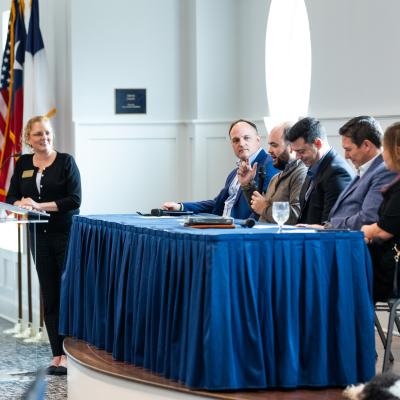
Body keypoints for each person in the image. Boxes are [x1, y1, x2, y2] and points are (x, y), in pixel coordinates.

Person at [6, 116, 81, 375]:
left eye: (47, 133)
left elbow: (74, 199)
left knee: (67, 294)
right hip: (38, 236)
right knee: (49, 295)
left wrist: (40, 206)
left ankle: (74, 355)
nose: (44, 138)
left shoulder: (65, 162)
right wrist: (20, 204)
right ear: (28, 138)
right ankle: (57, 354)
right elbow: (13, 195)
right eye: (38, 134)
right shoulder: (24, 163)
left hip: (65, 235)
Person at [162, 119, 278, 219]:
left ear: (258, 139)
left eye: (246, 138)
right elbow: (217, 204)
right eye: (236, 140)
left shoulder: (270, 165)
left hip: (241, 233)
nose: (241, 143)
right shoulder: (234, 173)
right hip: (222, 226)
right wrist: (180, 207)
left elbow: (265, 209)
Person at [310, 116, 396, 230]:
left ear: (366, 145)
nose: (346, 156)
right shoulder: (365, 169)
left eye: (348, 149)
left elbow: (368, 218)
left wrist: (328, 228)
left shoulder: (384, 171)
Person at [286, 117, 354, 224]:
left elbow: (330, 224)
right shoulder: (314, 165)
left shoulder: (337, 173)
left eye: (301, 151)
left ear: (318, 143)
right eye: (295, 152)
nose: (297, 157)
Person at [238, 122, 307, 224]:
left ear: (292, 146)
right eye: (270, 145)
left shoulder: (302, 173)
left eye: (274, 145)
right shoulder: (276, 178)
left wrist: (264, 207)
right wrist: (247, 184)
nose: (269, 151)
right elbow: (259, 211)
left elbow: (295, 217)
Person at [361, 122, 400, 303]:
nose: (383, 154)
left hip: (391, 272)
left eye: (385, 149)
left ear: (397, 151)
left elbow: (384, 231)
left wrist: (366, 231)